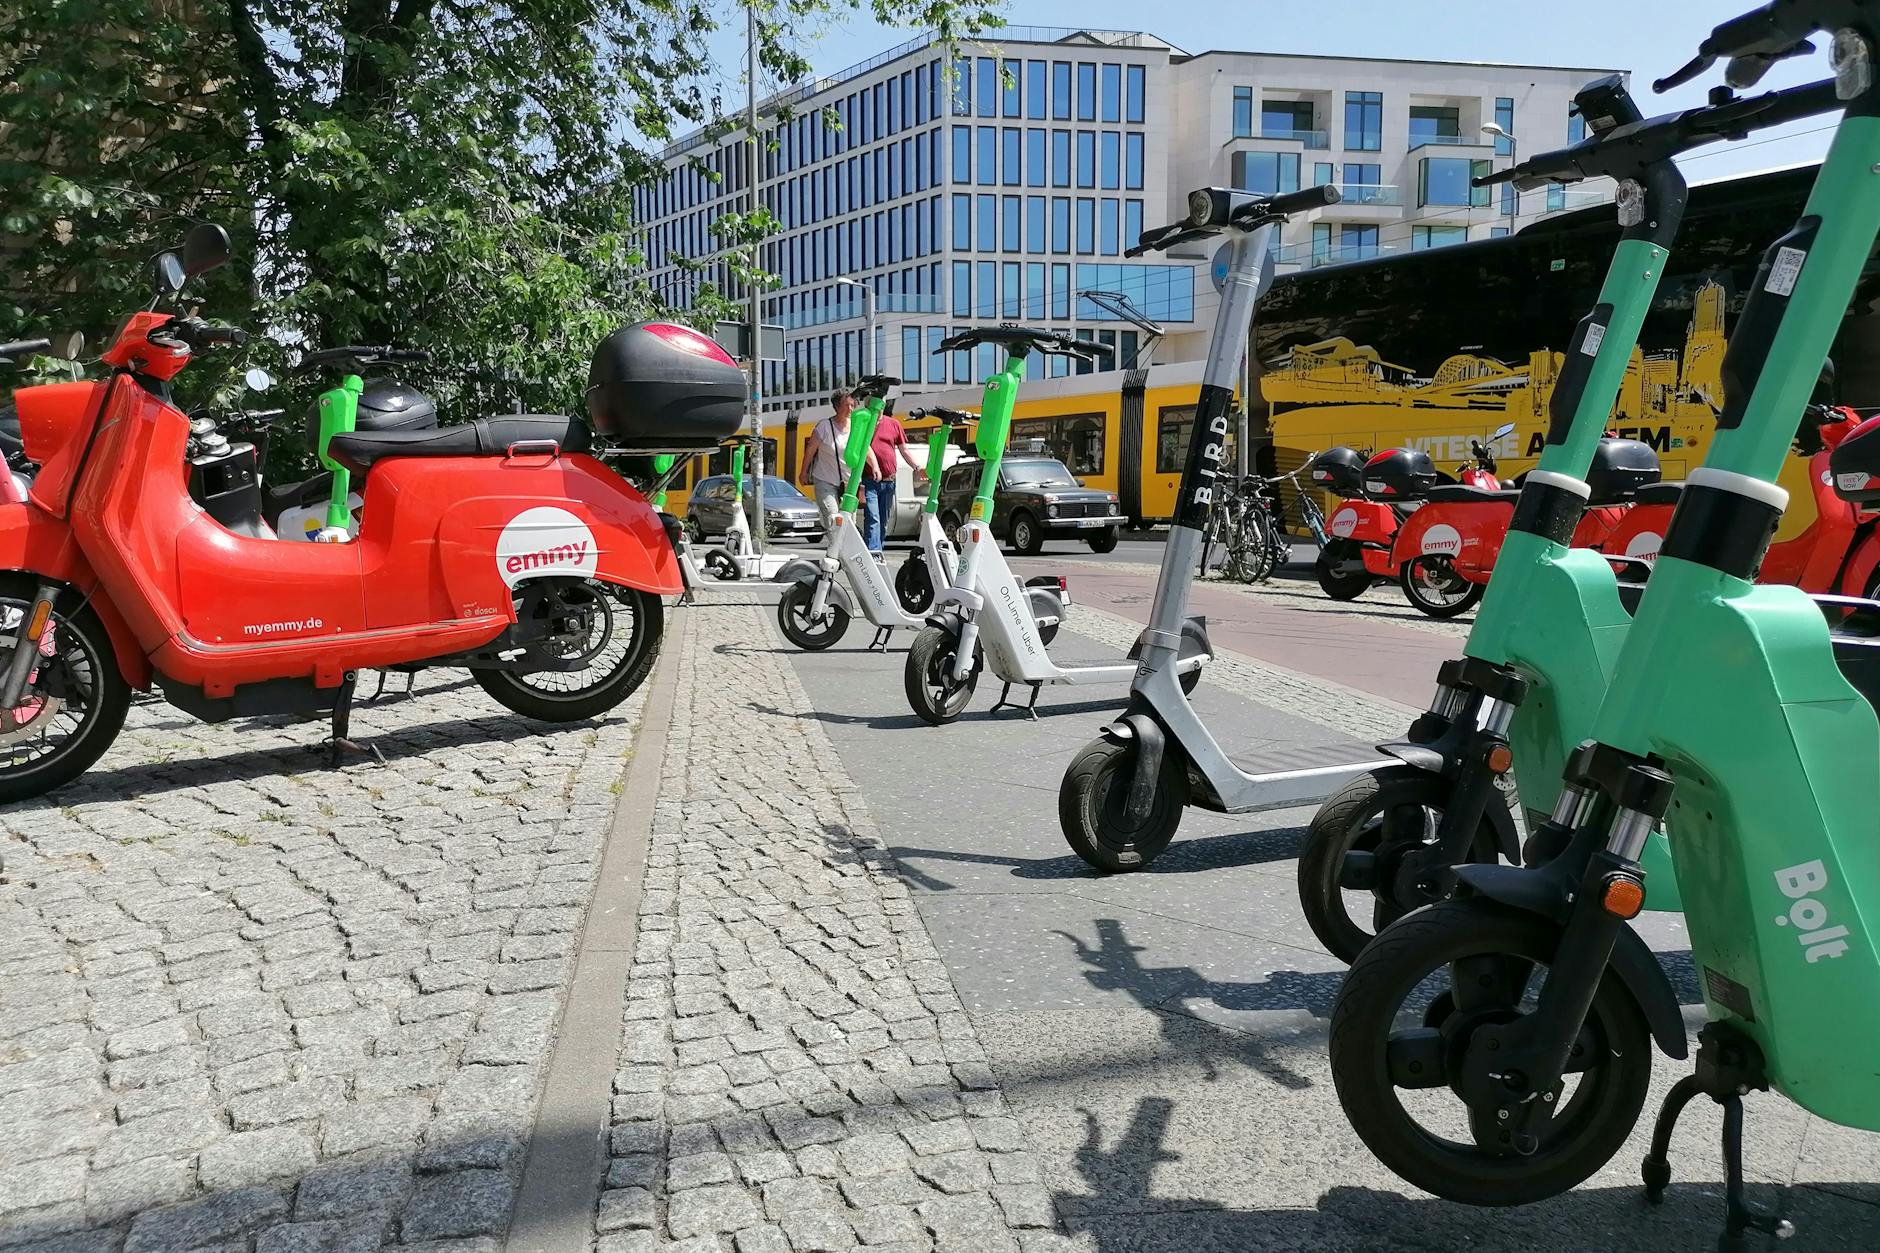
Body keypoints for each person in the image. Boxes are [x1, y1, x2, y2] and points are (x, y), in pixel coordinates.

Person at [862, 406, 920, 552]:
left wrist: (915, 466)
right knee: (873, 517)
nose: (878, 408)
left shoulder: (894, 424)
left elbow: (904, 450)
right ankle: (873, 552)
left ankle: (877, 550)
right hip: (870, 480)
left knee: (883, 520)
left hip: (889, 481)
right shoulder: (864, 422)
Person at [799, 389, 853, 530]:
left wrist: (875, 467)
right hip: (825, 480)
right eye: (846, 405)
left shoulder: (855, 426)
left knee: (848, 522)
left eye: (852, 405)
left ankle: (841, 543)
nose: (850, 409)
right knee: (833, 517)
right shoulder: (824, 426)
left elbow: (866, 449)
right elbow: (810, 450)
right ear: (837, 407)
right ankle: (835, 543)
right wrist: (804, 472)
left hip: (849, 482)